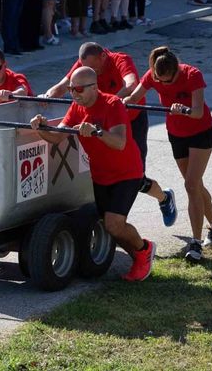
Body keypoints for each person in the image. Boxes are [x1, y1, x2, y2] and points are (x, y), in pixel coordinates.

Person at [30, 66, 156, 282]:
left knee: (113, 224)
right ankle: (140, 253)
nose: (74, 94)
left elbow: (119, 142)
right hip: (101, 176)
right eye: (71, 89)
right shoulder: (76, 108)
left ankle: (144, 250)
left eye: (78, 89)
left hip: (127, 173)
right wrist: (40, 128)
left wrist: (97, 132)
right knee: (112, 228)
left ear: (94, 87)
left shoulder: (112, 104)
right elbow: (57, 137)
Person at [43, 41, 178, 225]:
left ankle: (164, 198)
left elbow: (131, 84)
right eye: (85, 67)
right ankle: (113, 225)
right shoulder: (84, 66)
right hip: (101, 124)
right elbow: (61, 86)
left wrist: (111, 102)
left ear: (103, 57)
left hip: (131, 120)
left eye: (93, 67)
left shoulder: (120, 60)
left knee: (136, 178)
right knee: (104, 173)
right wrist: (45, 98)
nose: (89, 71)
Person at [126, 46, 212, 262]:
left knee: (191, 185)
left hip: (200, 132)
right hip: (176, 134)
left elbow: (198, 112)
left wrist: (184, 109)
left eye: (168, 81)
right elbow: (134, 97)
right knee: (195, 185)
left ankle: (196, 244)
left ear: (176, 71)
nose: (163, 85)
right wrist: (118, 103)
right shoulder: (154, 76)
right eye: (160, 81)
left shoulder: (192, 75)